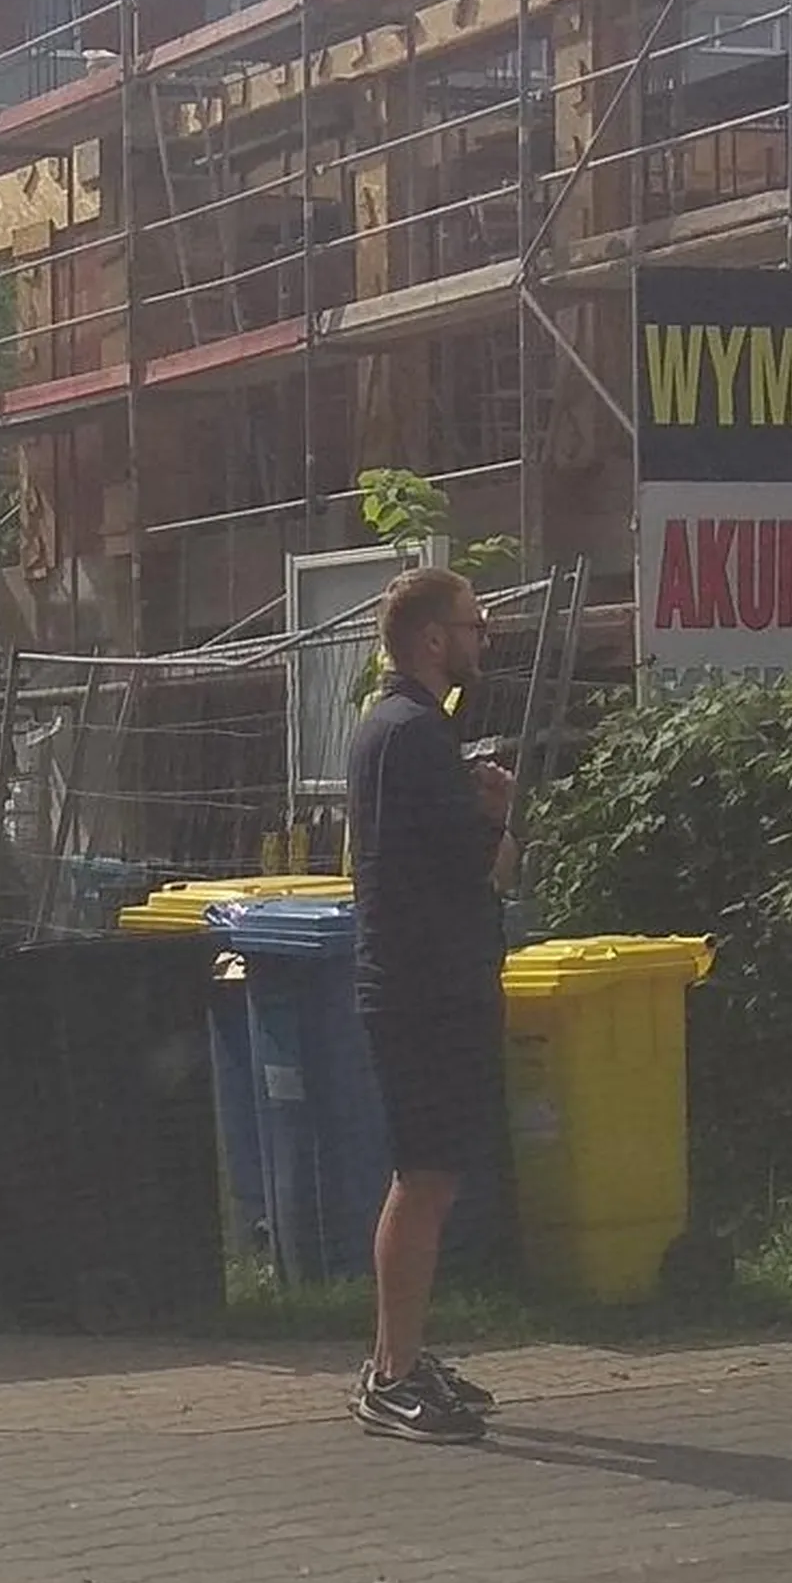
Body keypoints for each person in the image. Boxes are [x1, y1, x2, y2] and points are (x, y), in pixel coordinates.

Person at [346, 568, 517, 1444]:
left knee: (428, 1176)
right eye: (473, 625)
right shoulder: (415, 733)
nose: (483, 639)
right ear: (432, 638)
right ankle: (393, 1374)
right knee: (426, 1177)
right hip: (427, 989)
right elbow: (474, 868)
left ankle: (397, 1354)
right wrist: (497, 814)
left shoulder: (395, 727)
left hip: (419, 983)